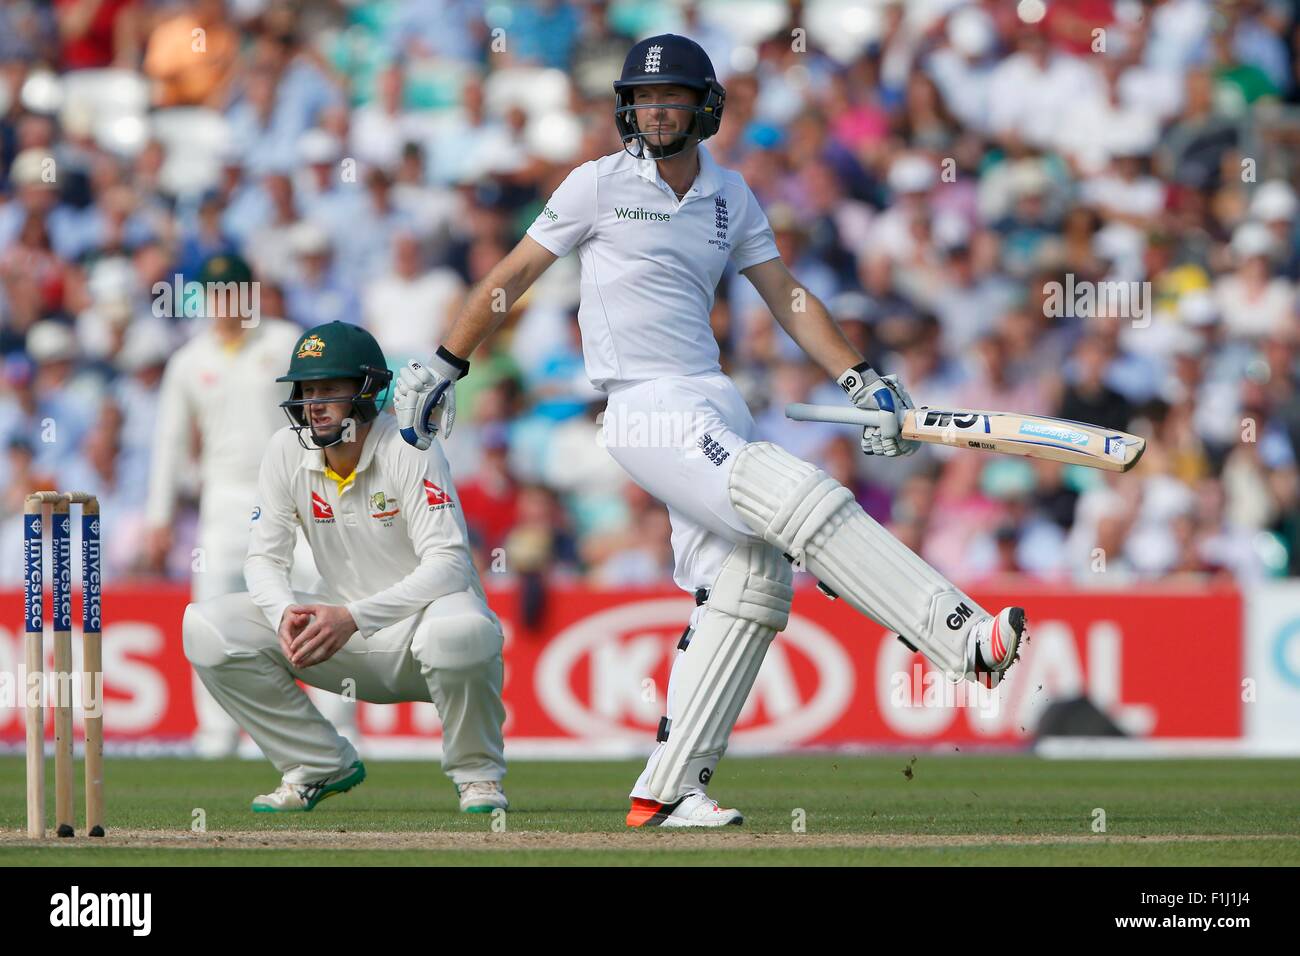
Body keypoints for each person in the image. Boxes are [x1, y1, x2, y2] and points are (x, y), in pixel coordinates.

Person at [394, 35, 1025, 828]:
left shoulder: (730, 195)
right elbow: (512, 276)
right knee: (794, 496)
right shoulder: (595, 185)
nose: (654, 112)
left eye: (671, 99)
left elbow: (787, 297)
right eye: (643, 99)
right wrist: (448, 363)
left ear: (705, 107)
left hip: (712, 396)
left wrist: (862, 380)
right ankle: (962, 634)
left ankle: (669, 789)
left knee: (751, 583)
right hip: (643, 405)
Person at [183, 321, 508, 813]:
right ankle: (316, 763)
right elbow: (264, 559)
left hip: (420, 637)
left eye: (330, 389)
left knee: (463, 627)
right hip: (341, 642)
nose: (314, 403)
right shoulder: (285, 450)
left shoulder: (410, 447)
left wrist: (353, 616)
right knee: (205, 626)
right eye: (307, 389)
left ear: (366, 391)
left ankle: (477, 775)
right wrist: (282, 614)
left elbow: (450, 565)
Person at [144, 253, 360, 758]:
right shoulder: (189, 361)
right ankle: (215, 738)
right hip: (224, 501)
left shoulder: (286, 343)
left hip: (297, 492)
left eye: (232, 291)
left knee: (321, 600)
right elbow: (169, 442)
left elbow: (324, 413)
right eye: (213, 294)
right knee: (211, 616)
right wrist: (158, 518)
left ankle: (342, 729)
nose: (223, 304)